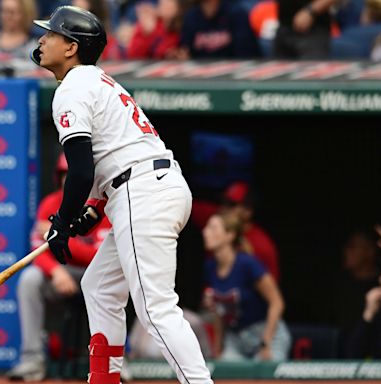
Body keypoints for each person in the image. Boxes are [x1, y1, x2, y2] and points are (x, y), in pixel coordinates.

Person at [30, 6, 213, 384]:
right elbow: (113, 155)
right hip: (150, 185)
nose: (42, 39)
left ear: (71, 47)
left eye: (51, 34)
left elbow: (80, 171)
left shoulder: (73, 88)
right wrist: (94, 208)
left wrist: (62, 221)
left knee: (155, 308)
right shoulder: (98, 81)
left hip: (142, 191)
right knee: (98, 286)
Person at [6, 152, 112, 381]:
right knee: (30, 279)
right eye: (64, 174)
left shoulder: (104, 205)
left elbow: (99, 256)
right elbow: (38, 250)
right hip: (64, 274)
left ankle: (114, 363)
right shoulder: (51, 204)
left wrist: (60, 238)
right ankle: (32, 361)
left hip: (99, 276)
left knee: (120, 278)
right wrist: (56, 271)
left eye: (73, 174)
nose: (68, 179)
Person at [201, 211, 290, 361]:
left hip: (265, 333)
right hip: (235, 339)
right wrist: (217, 347)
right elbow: (219, 311)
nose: (205, 232)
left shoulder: (248, 264)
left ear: (230, 235)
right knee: (225, 373)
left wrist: (266, 342)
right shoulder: (210, 267)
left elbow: (277, 302)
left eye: (213, 228)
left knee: (264, 374)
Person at [191, 181, 280, 282]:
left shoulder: (262, 246)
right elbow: (182, 203)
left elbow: (271, 288)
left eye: (231, 204)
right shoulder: (215, 217)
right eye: (223, 202)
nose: (224, 208)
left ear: (248, 211)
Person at [178, 0, 260, 59]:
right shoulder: (191, 17)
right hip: (200, 76)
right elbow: (186, 51)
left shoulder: (236, 13)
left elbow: (246, 55)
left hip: (232, 76)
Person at [273, 0, 338, 59]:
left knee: (312, 68)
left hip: (313, 31)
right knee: (280, 69)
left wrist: (310, 11)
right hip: (284, 27)